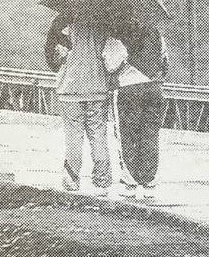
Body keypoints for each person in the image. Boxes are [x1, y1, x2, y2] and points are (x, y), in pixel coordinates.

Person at [45, 12, 112, 196]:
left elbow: (52, 58)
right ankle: (102, 182)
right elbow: (111, 57)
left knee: (73, 135)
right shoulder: (103, 21)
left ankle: (72, 179)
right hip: (97, 88)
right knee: (98, 134)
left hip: (70, 89)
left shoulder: (63, 21)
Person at [102, 18, 167, 200]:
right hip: (154, 88)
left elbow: (112, 63)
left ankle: (129, 182)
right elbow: (164, 60)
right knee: (150, 135)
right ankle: (149, 182)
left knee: (127, 136)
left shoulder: (118, 31)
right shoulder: (155, 32)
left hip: (129, 89)